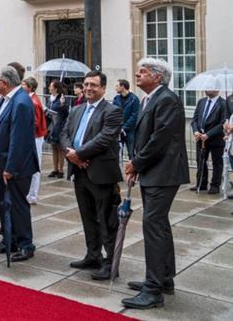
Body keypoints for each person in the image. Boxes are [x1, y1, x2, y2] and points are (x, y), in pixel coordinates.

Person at [122, 58, 190, 310]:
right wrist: (137, 165)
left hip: (163, 173)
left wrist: (136, 164)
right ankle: (163, 279)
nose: (137, 74)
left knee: (153, 226)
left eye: (143, 71)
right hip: (155, 172)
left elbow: (159, 139)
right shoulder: (151, 99)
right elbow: (145, 137)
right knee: (159, 225)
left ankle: (153, 291)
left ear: (158, 77)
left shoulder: (166, 99)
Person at [60, 71, 123, 281]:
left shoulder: (112, 111)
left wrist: (79, 154)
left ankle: (111, 263)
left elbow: (104, 139)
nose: (88, 88)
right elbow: (64, 134)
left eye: (93, 85)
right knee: (88, 217)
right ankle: (93, 255)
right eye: (86, 84)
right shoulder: (76, 109)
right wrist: (73, 156)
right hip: (79, 172)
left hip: (101, 174)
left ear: (103, 88)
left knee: (107, 220)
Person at [0, 65, 38, 262]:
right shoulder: (8, 99)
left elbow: (19, 139)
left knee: (17, 205)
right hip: (3, 164)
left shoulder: (21, 102)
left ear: (4, 83)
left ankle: (26, 244)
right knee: (5, 203)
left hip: (15, 167)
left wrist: (10, 167)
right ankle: (10, 239)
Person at [190, 90, 227, 194]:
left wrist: (208, 135)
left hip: (216, 139)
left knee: (217, 163)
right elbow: (194, 119)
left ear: (217, 90)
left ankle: (215, 186)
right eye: (207, 87)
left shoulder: (223, 104)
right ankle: (201, 183)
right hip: (200, 138)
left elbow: (222, 123)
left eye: (210, 87)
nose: (207, 89)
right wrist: (196, 131)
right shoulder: (201, 101)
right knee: (200, 161)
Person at [22, 76, 47, 205]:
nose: (21, 87)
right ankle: (30, 194)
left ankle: (32, 195)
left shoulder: (33, 102)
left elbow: (34, 123)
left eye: (24, 85)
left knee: (35, 166)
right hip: (35, 136)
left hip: (35, 137)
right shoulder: (32, 99)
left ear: (30, 87)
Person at [46, 80, 69, 178]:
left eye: (51, 86)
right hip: (52, 126)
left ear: (56, 88)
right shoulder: (49, 98)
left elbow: (66, 113)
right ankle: (55, 169)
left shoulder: (62, 98)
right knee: (54, 147)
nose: (49, 88)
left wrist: (63, 105)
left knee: (60, 149)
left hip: (59, 126)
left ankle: (61, 170)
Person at [113, 79, 141, 159]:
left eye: (117, 86)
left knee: (131, 153)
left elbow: (135, 115)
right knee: (116, 153)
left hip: (130, 131)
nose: (115, 88)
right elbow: (113, 113)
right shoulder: (116, 98)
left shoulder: (134, 99)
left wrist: (124, 127)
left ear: (122, 86)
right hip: (118, 130)